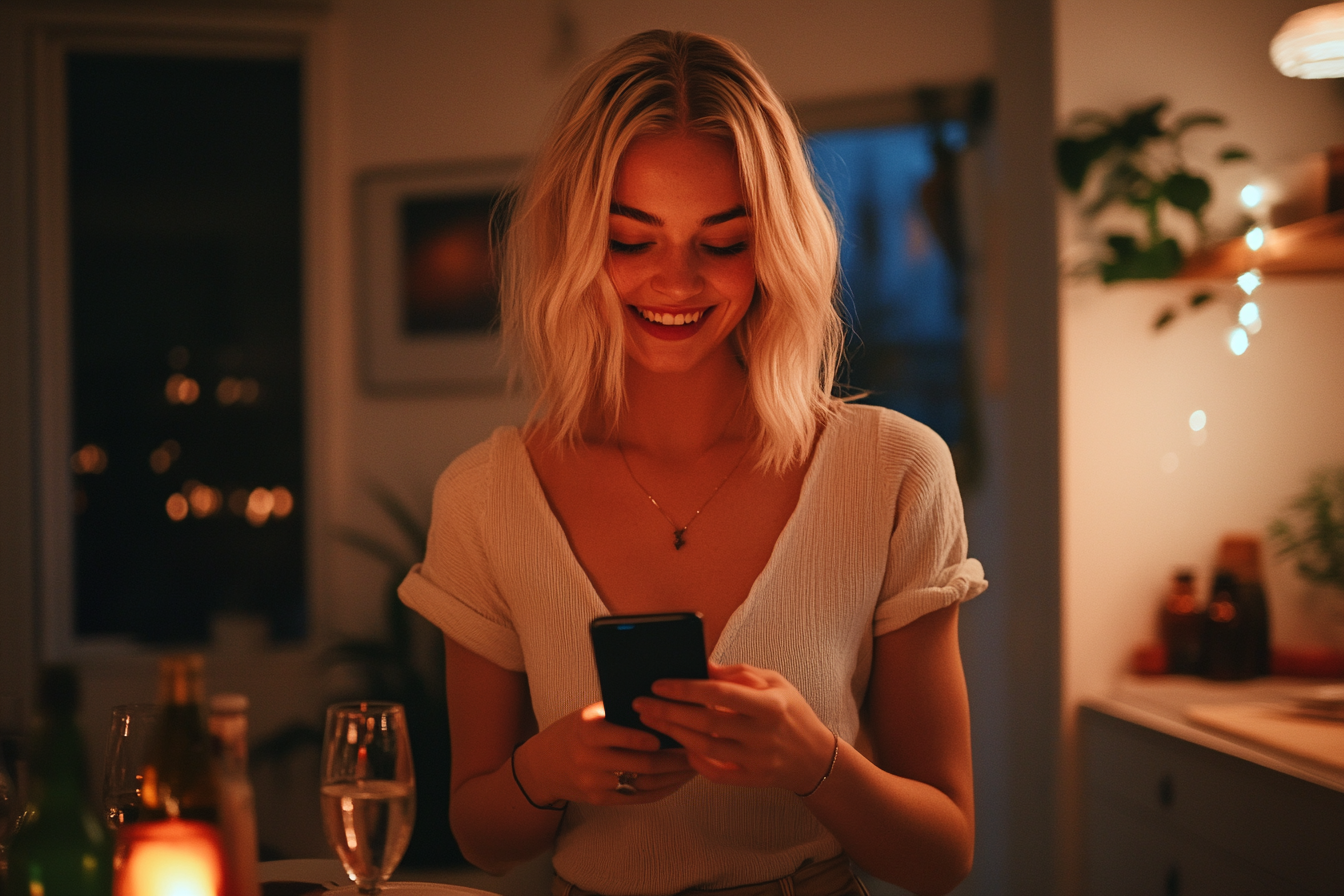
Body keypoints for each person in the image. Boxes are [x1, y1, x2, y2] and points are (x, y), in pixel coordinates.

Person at [399, 29, 986, 896]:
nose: (676, 282)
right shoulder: (485, 498)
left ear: (776, 250)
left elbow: (944, 855)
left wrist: (814, 760)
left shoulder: (894, 472)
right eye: (632, 240)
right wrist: (548, 770)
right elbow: (483, 838)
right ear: (573, 245)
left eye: (723, 241)